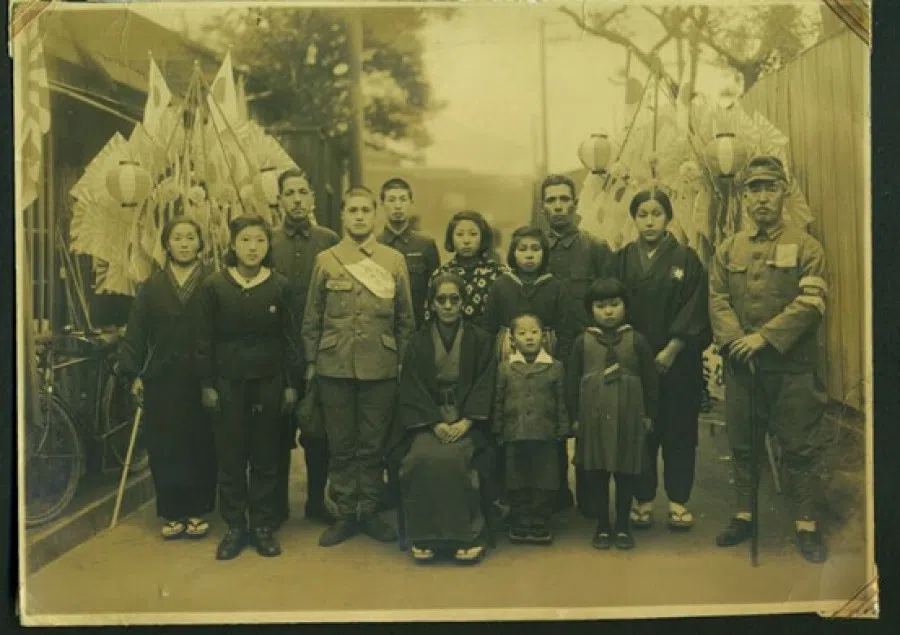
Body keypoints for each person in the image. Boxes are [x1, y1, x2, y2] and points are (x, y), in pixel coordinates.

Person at [709, 155, 829, 563]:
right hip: (744, 367)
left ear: (783, 192)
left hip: (791, 369)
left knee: (799, 447)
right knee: (744, 447)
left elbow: (811, 303)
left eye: (770, 188)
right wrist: (737, 341)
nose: (762, 197)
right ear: (743, 196)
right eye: (754, 189)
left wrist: (764, 338)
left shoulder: (808, 247)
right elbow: (718, 300)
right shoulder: (729, 249)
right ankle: (744, 515)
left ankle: (806, 525)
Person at [302, 186, 415, 547]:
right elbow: (312, 318)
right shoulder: (327, 260)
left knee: (372, 444)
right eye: (353, 210)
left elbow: (405, 321)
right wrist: (311, 363)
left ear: (376, 214)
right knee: (341, 444)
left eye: (367, 210)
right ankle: (346, 512)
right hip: (334, 365)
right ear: (343, 216)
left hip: (380, 366)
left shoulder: (393, 261)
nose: (360, 216)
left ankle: (369, 511)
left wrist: (401, 364)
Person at [197, 215, 302, 560]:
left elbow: (291, 340)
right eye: (245, 240)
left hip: (269, 382)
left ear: (268, 245)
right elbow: (203, 340)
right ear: (232, 245)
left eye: (259, 240)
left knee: (265, 456)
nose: (252, 247)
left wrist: (290, 384)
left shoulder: (280, 286)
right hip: (228, 383)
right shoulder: (215, 286)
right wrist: (207, 384)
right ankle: (234, 527)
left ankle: (262, 526)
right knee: (230, 457)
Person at [614, 188, 712, 531]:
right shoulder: (623, 258)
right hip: (635, 361)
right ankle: (642, 499)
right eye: (643, 214)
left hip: (678, 361)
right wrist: (633, 352)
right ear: (634, 218)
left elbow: (696, 309)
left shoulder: (686, 259)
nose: (650, 221)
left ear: (668, 217)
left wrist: (672, 349)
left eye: (657, 213)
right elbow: (613, 308)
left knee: (679, 431)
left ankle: (678, 500)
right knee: (641, 431)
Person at [116, 217, 217, 541]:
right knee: (166, 444)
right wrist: (133, 373)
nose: (185, 243)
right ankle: (172, 512)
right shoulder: (152, 287)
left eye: (191, 237)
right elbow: (136, 332)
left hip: (203, 377)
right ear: (167, 243)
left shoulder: (212, 282)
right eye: (178, 238)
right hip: (163, 376)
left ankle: (196, 511)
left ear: (200, 243)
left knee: (201, 442)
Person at [394, 272, 498, 564]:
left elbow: (486, 383)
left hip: (467, 419)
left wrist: (467, 422)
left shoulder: (480, 339)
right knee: (420, 459)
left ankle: (467, 536)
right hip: (431, 419)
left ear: (464, 303)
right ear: (432, 305)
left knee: (455, 461)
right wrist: (434, 423)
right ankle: (425, 537)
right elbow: (411, 386)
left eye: (455, 299)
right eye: (442, 300)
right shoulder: (418, 342)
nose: (449, 306)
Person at [540, 174, 616, 514]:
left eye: (563, 199)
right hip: (545, 346)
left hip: (587, 348)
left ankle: (592, 499)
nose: (558, 206)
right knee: (549, 418)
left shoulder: (595, 247)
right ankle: (553, 492)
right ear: (543, 207)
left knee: (588, 420)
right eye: (551, 200)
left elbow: (611, 297)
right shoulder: (533, 247)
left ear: (574, 203)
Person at [270, 169, 340, 528]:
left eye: (302, 192)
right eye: (289, 193)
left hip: (320, 350)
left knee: (317, 431)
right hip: (277, 352)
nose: (296, 199)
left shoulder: (329, 241)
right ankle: (277, 506)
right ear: (279, 199)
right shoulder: (267, 242)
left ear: (312, 198)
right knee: (277, 430)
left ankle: (316, 500)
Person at [566, 278, 658, 551]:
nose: (608, 312)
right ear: (590, 309)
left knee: (625, 470)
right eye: (601, 306)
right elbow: (572, 381)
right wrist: (574, 417)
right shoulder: (582, 342)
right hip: (592, 414)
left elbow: (651, 381)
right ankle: (602, 524)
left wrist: (649, 414)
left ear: (625, 307)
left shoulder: (637, 340)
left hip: (628, 413)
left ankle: (622, 526)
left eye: (615, 305)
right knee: (596, 471)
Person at [493, 313, 569, 544]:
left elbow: (561, 400)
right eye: (522, 333)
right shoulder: (505, 368)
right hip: (515, 433)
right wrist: (498, 428)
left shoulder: (555, 367)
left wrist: (562, 428)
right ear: (512, 339)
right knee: (517, 476)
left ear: (543, 337)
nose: (529, 338)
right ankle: (520, 518)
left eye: (534, 332)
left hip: (544, 434)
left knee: (544, 476)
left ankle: (540, 519)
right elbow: (498, 399)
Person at [483, 225, 577, 363]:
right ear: (513, 253)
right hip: (507, 353)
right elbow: (489, 329)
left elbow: (566, 331)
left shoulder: (556, 287)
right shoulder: (501, 285)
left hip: (547, 353)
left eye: (535, 249)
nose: (529, 255)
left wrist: (561, 364)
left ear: (544, 252)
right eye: (522, 249)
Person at [423, 210, 507, 328]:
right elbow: (430, 318)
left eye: (473, 234)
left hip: (489, 341)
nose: (466, 241)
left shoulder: (498, 273)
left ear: (483, 237)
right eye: (460, 234)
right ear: (451, 237)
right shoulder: (441, 274)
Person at [377, 177, 441, 329]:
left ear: (411, 203)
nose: (398, 206)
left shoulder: (425, 245)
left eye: (403, 199)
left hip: (418, 328)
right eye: (391, 200)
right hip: (382, 329)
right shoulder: (374, 245)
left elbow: (435, 290)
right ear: (382, 205)